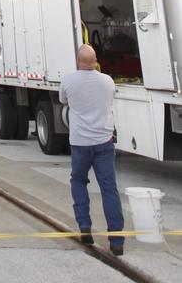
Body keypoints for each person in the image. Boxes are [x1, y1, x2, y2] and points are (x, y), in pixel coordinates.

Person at [59, 44, 124, 255]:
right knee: (109, 188)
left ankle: (84, 226)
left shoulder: (68, 80)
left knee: (78, 181)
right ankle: (117, 240)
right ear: (95, 61)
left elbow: (63, 100)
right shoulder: (107, 81)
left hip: (80, 143)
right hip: (104, 142)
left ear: (78, 61)